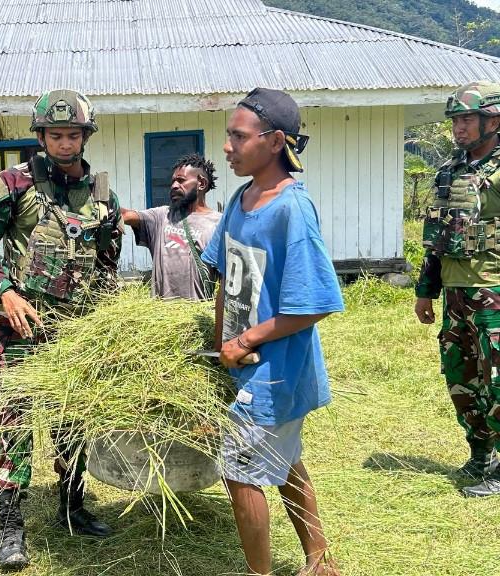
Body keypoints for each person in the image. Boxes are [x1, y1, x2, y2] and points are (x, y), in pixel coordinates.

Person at [0, 89, 123, 570]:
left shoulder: (101, 194)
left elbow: (107, 259)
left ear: (84, 137)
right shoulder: (13, 183)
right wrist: (4, 290)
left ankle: (72, 507)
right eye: (55, 135)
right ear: (41, 136)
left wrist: (107, 317)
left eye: (72, 135)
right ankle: (11, 526)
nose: (63, 143)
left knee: (73, 424)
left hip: (74, 333)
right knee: (13, 426)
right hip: (20, 331)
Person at [201, 88, 344, 576]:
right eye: (229, 136)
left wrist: (243, 341)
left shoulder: (292, 211)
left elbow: (312, 306)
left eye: (238, 137)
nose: (227, 147)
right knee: (284, 461)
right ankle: (320, 559)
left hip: (274, 368)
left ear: (276, 140)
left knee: (240, 474)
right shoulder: (243, 198)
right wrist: (219, 341)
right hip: (241, 364)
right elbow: (225, 276)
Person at [415, 81, 500, 498]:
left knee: (496, 380)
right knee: (461, 376)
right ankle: (481, 453)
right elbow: (436, 237)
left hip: (494, 294)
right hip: (455, 295)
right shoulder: (449, 172)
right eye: (456, 120)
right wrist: (425, 290)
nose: (459, 128)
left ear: (493, 120)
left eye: (467, 119)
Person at [121, 153, 222, 300]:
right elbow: (125, 215)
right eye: (173, 181)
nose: (174, 185)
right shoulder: (161, 216)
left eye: (181, 180)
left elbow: (227, 281)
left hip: (197, 318)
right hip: (161, 319)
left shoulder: (219, 224)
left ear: (201, 184)